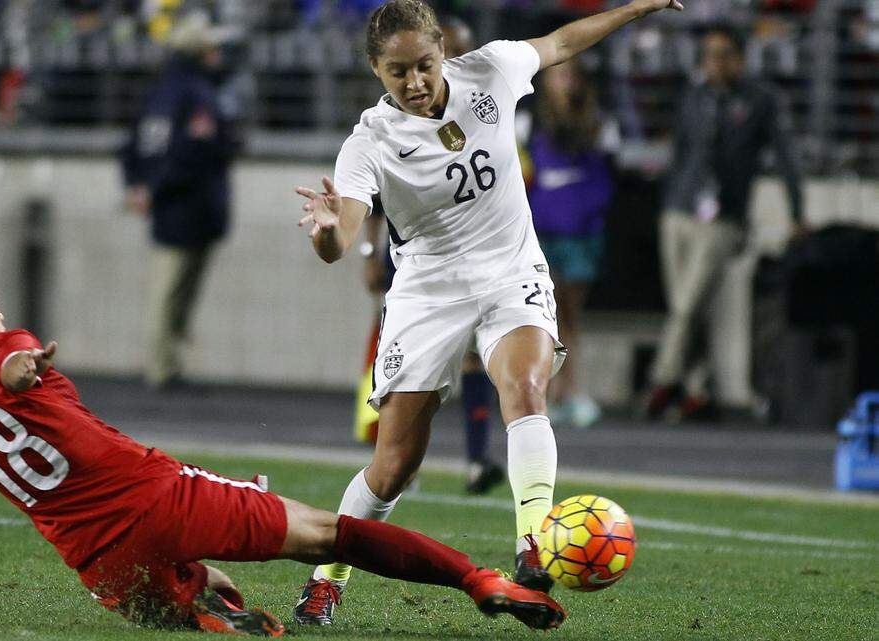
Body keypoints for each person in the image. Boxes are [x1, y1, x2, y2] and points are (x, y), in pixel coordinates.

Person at [0, 227, 566, 636]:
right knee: (325, 534)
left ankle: (205, 609)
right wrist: (20, 366)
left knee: (205, 586)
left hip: (99, 563)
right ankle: (478, 578)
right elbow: (11, 366)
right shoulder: (8, 345)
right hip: (158, 498)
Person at [292, 0, 682, 625]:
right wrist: (327, 231)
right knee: (393, 466)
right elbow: (341, 240)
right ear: (375, 70)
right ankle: (326, 578)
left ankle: (534, 545)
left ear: (443, 48)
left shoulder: (492, 70)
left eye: (424, 64)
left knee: (525, 390)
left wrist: (634, 9)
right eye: (398, 72)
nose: (415, 81)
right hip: (428, 291)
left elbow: (560, 42)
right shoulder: (368, 142)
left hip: (511, 271)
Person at [357, 14, 505, 495]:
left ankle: (476, 459)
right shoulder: (387, 129)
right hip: (416, 266)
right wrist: (364, 250)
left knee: (475, 361)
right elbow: (369, 200)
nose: (419, 81)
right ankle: (395, 459)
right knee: (411, 371)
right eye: (404, 70)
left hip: (484, 260)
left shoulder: (482, 98)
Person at [645, 24, 805, 421]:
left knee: (685, 306)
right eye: (709, 54)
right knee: (687, 308)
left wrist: (796, 212)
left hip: (724, 218)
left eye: (723, 54)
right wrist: (667, 204)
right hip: (680, 212)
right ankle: (696, 391)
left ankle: (661, 380)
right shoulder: (693, 97)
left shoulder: (760, 100)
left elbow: (787, 157)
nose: (714, 62)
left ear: (740, 58)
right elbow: (679, 154)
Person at [122, 11, 241, 389]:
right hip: (184, 205)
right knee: (169, 290)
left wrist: (140, 185)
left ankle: (168, 362)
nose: (218, 52)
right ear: (199, 50)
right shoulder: (191, 92)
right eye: (211, 46)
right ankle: (162, 366)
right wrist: (150, 188)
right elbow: (187, 148)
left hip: (181, 205)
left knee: (175, 291)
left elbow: (135, 144)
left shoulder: (169, 89)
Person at [526, 58, 615, 429]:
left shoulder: (600, 124)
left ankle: (569, 389)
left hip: (581, 231)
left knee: (570, 317)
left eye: (571, 76)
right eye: (558, 76)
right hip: (543, 230)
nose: (565, 84)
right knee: (543, 316)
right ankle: (542, 392)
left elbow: (610, 176)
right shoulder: (528, 123)